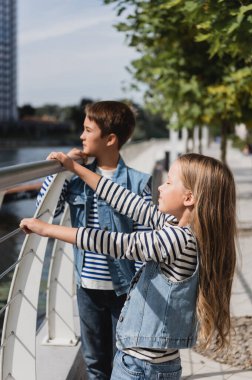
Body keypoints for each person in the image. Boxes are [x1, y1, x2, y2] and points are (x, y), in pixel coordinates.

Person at [20, 152, 237, 380]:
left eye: (169, 182)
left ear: (189, 198)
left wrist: (46, 229)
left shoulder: (177, 240)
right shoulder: (175, 227)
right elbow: (126, 200)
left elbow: (118, 243)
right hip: (145, 364)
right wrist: (74, 167)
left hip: (142, 369)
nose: (161, 187)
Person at [36, 101, 152, 380]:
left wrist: (139, 294)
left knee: (124, 360)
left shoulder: (138, 183)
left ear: (110, 139)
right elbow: (46, 213)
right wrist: (62, 170)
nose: (81, 136)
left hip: (124, 291)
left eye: (88, 130)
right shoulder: (75, 180)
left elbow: (145, 240)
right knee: (94, 363)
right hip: (87, 287)